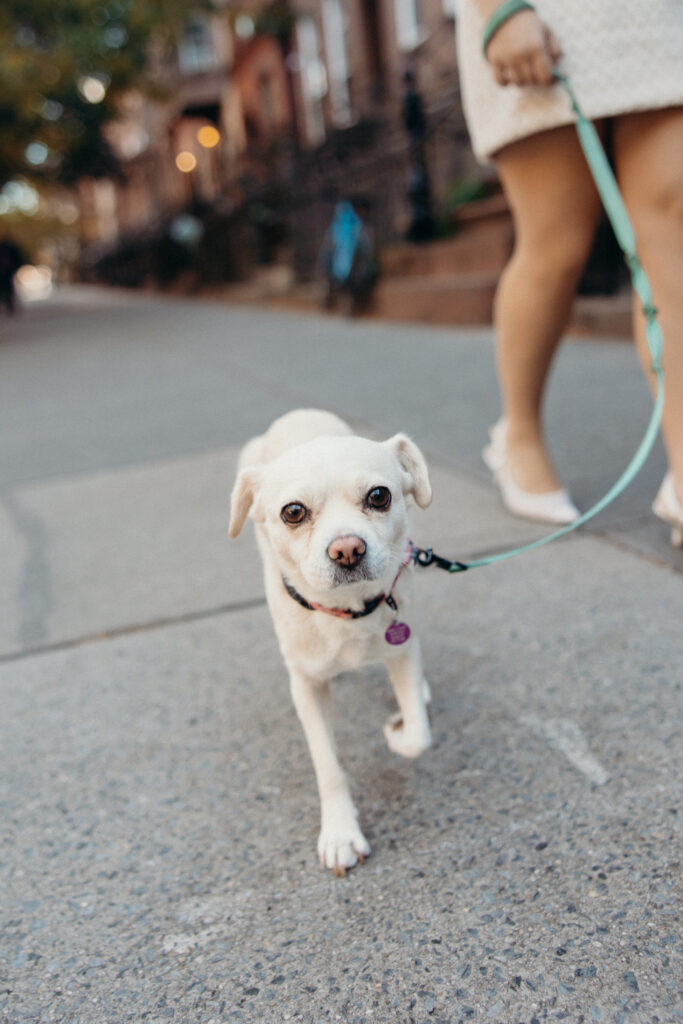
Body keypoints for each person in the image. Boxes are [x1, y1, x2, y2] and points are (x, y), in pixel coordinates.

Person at [456, 0, 683, 545]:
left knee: (672, 225)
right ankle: (519, 435)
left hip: (652, 17)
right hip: (546, 16)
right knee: (556, 246)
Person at [317, 198, 378, 315]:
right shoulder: (359, 228)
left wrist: (324, 269)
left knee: (339, 285)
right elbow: (366, 252)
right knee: (347, 287)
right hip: (353, 274)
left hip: (340, 274)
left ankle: (334, 304)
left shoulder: (334, 230)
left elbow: (326, 254)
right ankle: (346, 305)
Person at [0, 231, 23, 315]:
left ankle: (8, 304)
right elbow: (19, 257)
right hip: (9, 270)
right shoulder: (11, 247)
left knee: (5, 288)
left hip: (7, 271)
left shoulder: (5, 247)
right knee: (8, 288)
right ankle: (8, 304)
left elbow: (18, 257)